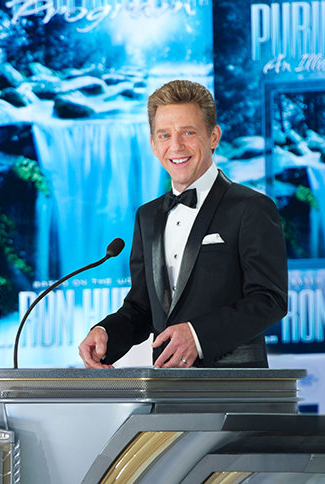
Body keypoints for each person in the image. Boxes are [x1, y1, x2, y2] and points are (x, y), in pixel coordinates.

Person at [78, 80, 288, 368]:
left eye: (188, 132)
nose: (175, 146)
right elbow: (141, 307)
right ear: (153, 145)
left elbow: (270, 299)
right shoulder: (147, 216)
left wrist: (197, 335)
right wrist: (106, 333)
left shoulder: (251, 207)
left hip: (236, 384)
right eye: (164, 135)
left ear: (213, 137)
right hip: (166, 382)